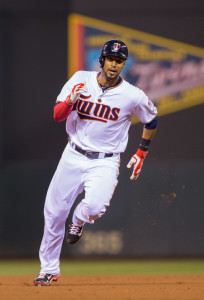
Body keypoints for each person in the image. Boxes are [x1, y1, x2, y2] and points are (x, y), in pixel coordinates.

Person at [34, 40, 158, 286]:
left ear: (124, 64)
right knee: (55, 213)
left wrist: (142, 151)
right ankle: (48, 269)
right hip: (73, 154)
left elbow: (151, 120)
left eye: (119, 60)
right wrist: (71, 100)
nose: (114, 64)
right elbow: (58, 116)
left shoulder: (132, 95)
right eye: (111, 59)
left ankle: (78, 221)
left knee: (94, 207)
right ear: (102, 60)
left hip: (105, 161)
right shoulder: (81, 78)